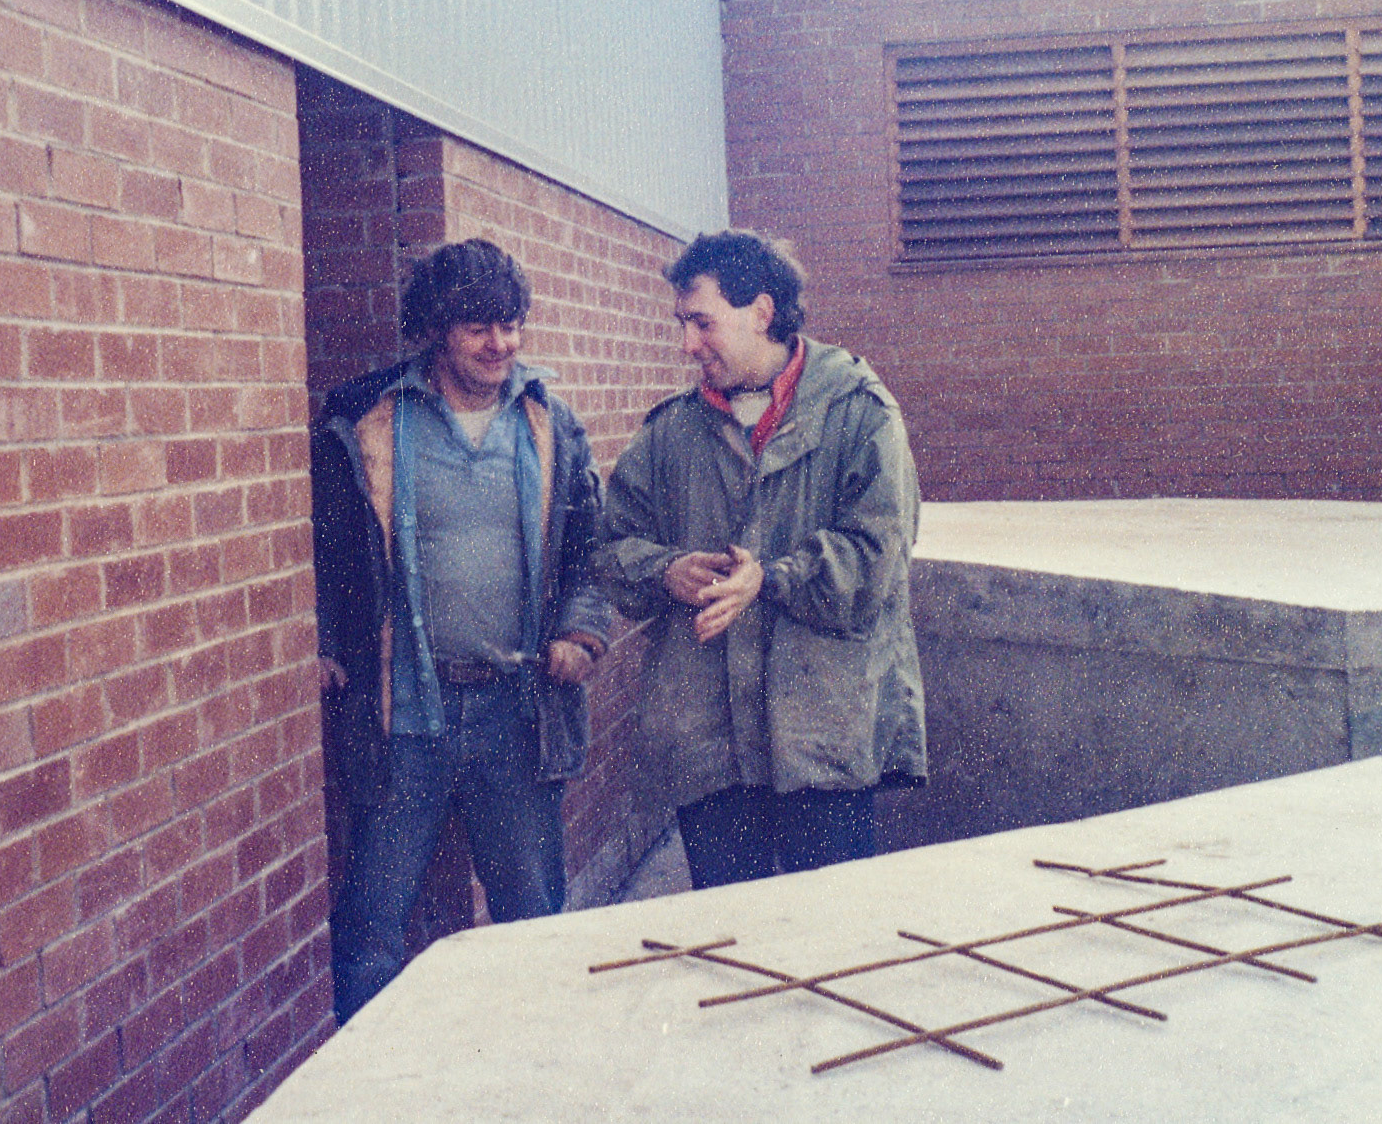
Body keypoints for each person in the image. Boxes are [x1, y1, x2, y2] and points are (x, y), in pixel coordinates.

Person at [312, 239, 611, 1022]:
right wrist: (325, 643)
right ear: (437, 329)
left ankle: (539, 1066)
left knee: (533, 921)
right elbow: (326, 549)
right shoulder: (369, 420)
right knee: (371, 926)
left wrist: (581, 633)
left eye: (511, 325)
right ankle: (373, 1077)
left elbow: (590, 551)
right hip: (405, 714)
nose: (500, 344)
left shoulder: (550, 423)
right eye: (479, 327)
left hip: (517, 711)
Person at [595, 229, 925, 889]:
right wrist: (664, 571)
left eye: (702, 323)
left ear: (762, 312)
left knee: (829, 931)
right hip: (709, 749)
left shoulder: (860, 413)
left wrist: (770, 579)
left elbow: (876, 558)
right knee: (729, 934)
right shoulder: (669, 432)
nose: (687, 344)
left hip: (823, 742)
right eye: (682, 324)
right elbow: (607, 546)